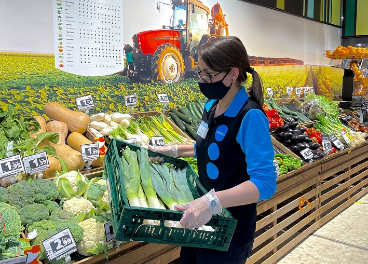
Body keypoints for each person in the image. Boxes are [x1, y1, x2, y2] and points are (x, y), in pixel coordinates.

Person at [150, 36, 277, 264]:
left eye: (210, 74)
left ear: (233, 74)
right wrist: (174, 150)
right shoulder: (211, 106)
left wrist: (212, 201)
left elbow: (265, 183)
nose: (204, 80)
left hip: (231, 230)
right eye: (201, 73)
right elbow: (209, 149)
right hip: (201, 220)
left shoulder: (250, 116)